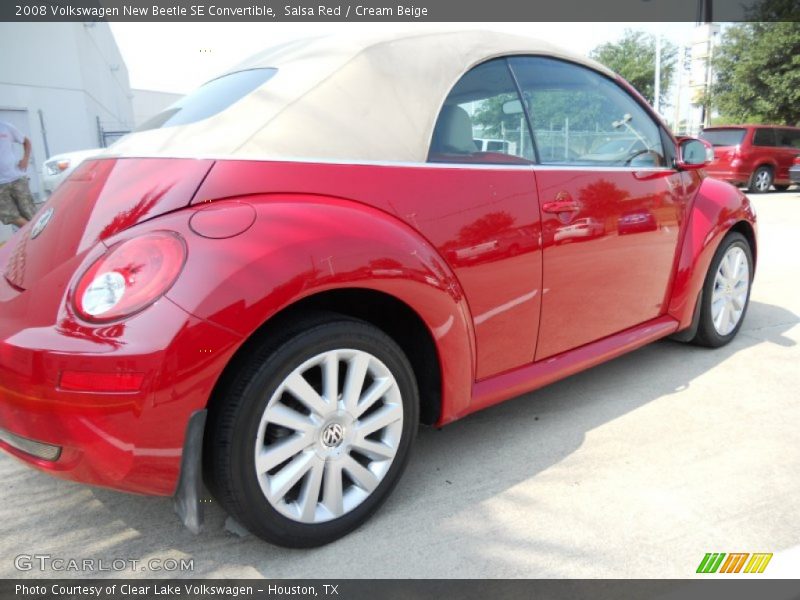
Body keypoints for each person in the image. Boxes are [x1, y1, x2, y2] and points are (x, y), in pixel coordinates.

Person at [0, 120, 36, 230]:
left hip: (17, 178)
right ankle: (32, 230)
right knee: (7, 215)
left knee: (29, 212)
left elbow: (26, 141)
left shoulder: (6, 127)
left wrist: (25, 158)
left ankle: (36, 235)